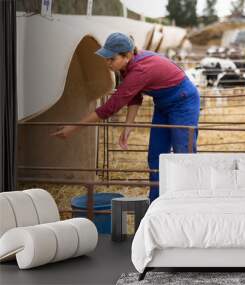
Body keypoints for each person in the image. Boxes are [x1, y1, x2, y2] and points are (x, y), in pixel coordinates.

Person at [51, 32, 200, 202]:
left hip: (183, 101)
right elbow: (135, 96)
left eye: (111, 59)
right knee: (156, 155)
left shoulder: (140, 70)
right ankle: (156, 201)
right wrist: (128, 127)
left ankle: (190, 200)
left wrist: (73, 128)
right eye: (106, 58)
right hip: (164, 104)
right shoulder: (127, 66)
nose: (107, 63)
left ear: (127, 55)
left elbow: (110, 107)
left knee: (184, 152)